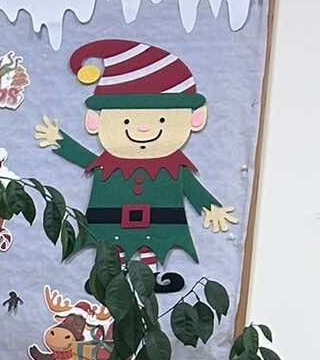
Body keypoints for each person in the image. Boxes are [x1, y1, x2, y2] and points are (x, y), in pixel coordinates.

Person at [34, 39, 237, 291]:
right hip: (113, 219)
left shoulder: (173, 170)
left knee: (151, 245)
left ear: (195, 118)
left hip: (159, 220)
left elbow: (192, 188)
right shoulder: (107, 165)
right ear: (93, 122)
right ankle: (113, 279)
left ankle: (150, 278)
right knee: (115, 248)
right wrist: (60, 141)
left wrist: (210, 208)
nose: (142, 128)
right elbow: (84, 158)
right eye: (126, 121)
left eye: (161, 120)